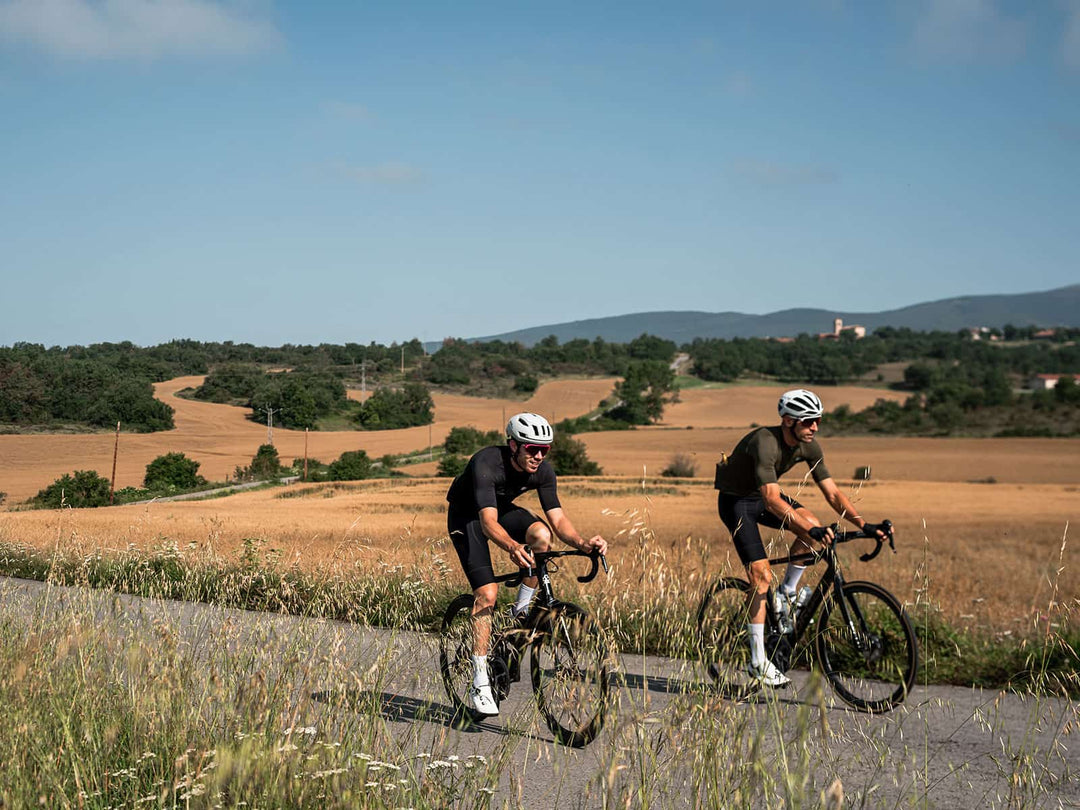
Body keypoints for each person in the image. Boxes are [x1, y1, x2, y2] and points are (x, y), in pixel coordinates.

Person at [713, 388, 892, 687]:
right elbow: (771, 500)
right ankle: (758, 660)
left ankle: (787, 593)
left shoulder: (810, 446)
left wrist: (865, 523)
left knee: (813, 523)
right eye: (809, 422)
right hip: (736, 502)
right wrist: (808, 530)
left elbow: (833, 493)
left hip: (761, 496)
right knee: (760, 575)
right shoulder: (764, 443)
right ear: (788, 421)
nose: (815, 427)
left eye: (818, 420)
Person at [445, 411, 608, 716]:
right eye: (531, 448)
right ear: (513, 445)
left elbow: (558, 520)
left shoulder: (543, 472)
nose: (538, 456)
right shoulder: (486, 463)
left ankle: (520, 612)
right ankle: (479, 678)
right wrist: (511, 546)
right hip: (468, 516)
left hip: (500, 508)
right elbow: (487, 521)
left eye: (544, 450)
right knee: (488, 593)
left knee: (542, 537)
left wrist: (585, 544)